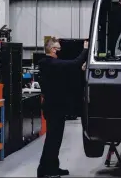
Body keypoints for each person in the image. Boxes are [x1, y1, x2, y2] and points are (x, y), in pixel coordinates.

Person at [37, 37, 88, 178]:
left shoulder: (52, 64)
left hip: (57, 107)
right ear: (52, 49)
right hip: (53, 108)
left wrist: (81, 68)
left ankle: (53, 167)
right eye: (58, 49)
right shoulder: (49, 63)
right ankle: (44, 171)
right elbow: (74, 63)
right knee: (52, 141)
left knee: (56, 140)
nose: (59, 52)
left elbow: (68, 72)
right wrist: (85, 49)